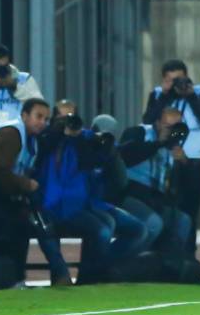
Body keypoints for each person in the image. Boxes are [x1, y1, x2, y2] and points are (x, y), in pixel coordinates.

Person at [34, 109, 148, 284]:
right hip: (62, 206)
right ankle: (94, 276)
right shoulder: (48, 140)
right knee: (105, 228)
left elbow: (110, 172)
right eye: (61, 118)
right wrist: (62, 133)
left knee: (142, 228)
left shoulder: (85, 139)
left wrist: (108, 152)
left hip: (89, 203)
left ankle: (100, 271)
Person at [0, 98, 52, 285]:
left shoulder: (28, 138)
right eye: (38, 116)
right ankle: (10, 278)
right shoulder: (12, 134)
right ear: (24, 115)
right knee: (13, 226)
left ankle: (13, 278)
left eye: (46, 119)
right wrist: (25, 185)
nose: (43, 122)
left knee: (20, 225)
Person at [142, 59, 200, 254]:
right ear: (164, 80)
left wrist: (190, 96)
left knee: (191, 208)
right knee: (163, 205)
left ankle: (188, 253)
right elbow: (148, 120)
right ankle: (161, 252)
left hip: (193, 160)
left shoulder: (199, 92)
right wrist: (165, 96)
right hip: (164, 160)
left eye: (180, 79)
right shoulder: (158, 95)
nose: (177, 85)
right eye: (171, 81)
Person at [119, 107, 191, 254]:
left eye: (176, 126)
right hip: (129, 194)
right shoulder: (138, 132)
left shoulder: (175, 145)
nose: (173, 131)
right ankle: (124, 263)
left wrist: (184, 163)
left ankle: (165, 266)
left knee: (182, 221)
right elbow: (125, 157)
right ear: (157, 123)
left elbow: (180, 188)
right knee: (153, 224)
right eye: (168, 126)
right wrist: (158, 143)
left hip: (154, 198)